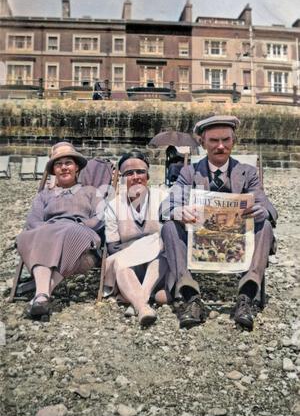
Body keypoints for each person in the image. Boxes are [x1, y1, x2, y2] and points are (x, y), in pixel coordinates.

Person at [160, 115, 277, 330]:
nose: (220, 146)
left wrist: (262, 211)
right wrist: (179, 211)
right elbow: (166, 206)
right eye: (213, 141)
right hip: (199, 241)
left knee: (266, 225)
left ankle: (247, 296)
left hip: (239, 240)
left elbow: (268, 206)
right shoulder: (189, 172)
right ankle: (190, 297)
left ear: (233, 142)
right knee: (169, 225)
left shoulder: (247, 173)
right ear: (203, 143)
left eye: (226, 140)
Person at [17, 142, 105, 320]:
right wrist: (47, 229)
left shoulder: (90, 191)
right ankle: (42, 297)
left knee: (68, 230)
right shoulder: (45, 195)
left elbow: (100, 217)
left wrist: (81, 225)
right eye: (59, 164)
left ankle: (40, 292)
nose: (64, 167)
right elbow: (33, 220)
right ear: (53, 170)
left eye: (68, 163)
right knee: (33, 235)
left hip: (80, 232)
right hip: (49, 234)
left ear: (77, 167)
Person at [104, 152, 169, 326]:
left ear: (148, 175)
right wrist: (140, 248)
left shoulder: (162, 196)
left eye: (140, 172)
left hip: (156, 261)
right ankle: (144, 302)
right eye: (128, 173)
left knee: (160, 255)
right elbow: (112, 246)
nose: (135, 177)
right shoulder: (114, 205)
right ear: (122, 178)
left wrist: (148, 247)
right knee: (121, 264)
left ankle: (139, 303)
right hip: (128, 261)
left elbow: (170, 234)